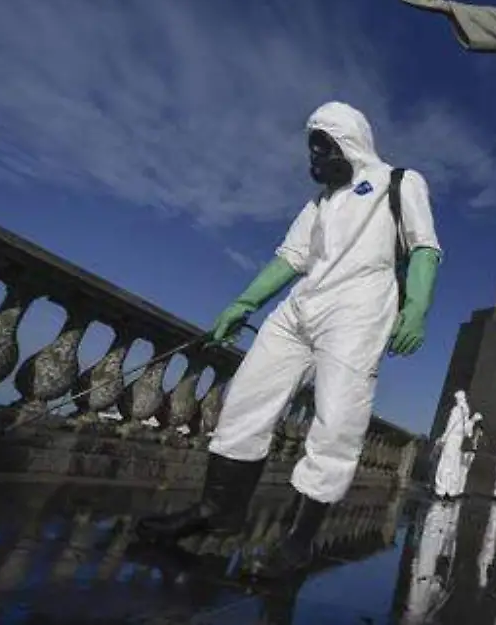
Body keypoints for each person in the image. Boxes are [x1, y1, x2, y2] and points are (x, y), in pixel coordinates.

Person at [135, 101, 443, 579]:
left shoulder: (399, 183)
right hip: (300, 308)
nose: (314, 159)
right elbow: (291, 259)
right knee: (246, 399)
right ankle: (217, 512)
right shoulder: (319, 202)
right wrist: (242, 304)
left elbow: (424, 246)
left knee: (337, 419)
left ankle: (297, 542)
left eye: (322, 147)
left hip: (357, 311)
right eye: (312, 148)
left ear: (349, 143)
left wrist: (416, 309)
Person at [433, 391, 470, 499]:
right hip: (459, 440)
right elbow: (468, 431)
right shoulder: (466, 411)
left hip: (452, 438)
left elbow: (450, 425)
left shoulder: (457, 409)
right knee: (454, 466)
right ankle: (451, 491)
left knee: (445, 463)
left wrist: (443, 438)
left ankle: (440, 490)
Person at [456, 412, 484, 496]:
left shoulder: (478, 429)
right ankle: (456, 489)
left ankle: (460, 490)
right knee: (461, 470)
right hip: (466, 450)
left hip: (471, 451)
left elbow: (478, 440)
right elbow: (468, 437)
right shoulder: (469, 425)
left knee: (464, 471)